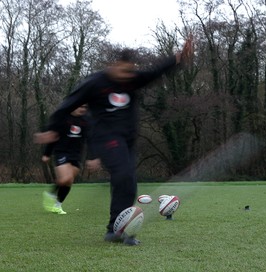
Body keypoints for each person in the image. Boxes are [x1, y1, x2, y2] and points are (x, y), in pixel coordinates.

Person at [34, 35, 193, 245]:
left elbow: (156, 72)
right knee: (124, 175)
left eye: (130, 71)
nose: (127, 76)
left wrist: (178, 58)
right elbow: (67, 105)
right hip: (105, 138)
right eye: (123, 71)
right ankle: (118, 230)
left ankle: (115, 229)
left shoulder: (132, 79)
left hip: (127, 140)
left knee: (128, 182)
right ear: (114, 66)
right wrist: (52, 129)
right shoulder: (95, 83)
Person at [35, 104, 100, 215]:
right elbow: (53, 136)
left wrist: (93, 157)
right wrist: (47, 153)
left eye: (85, 107)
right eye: (80, 106)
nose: (83, 109)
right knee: (66, 178)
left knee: (69, 181)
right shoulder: (63, 118)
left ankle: (58, 205)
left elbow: (90, 139)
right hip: (61, 152)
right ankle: (51, 194)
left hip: (76, 155)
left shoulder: (86, 120)